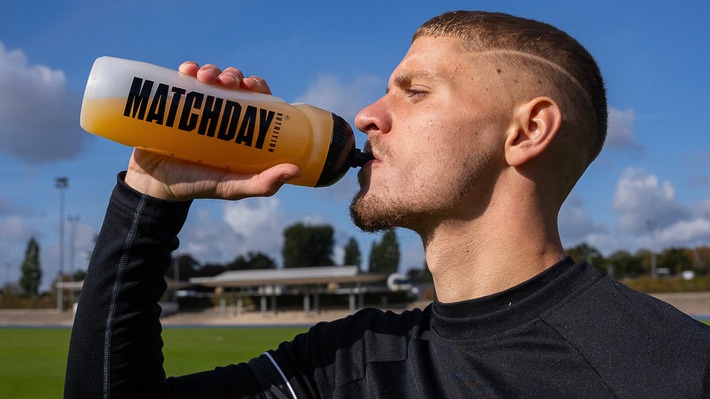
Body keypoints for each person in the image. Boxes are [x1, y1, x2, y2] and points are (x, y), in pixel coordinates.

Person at [65, 10, 710, 398]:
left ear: (526, 132)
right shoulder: (355, 364)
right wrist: (151, 195)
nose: (369, 115)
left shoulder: (672, 368)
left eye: (416, 91)